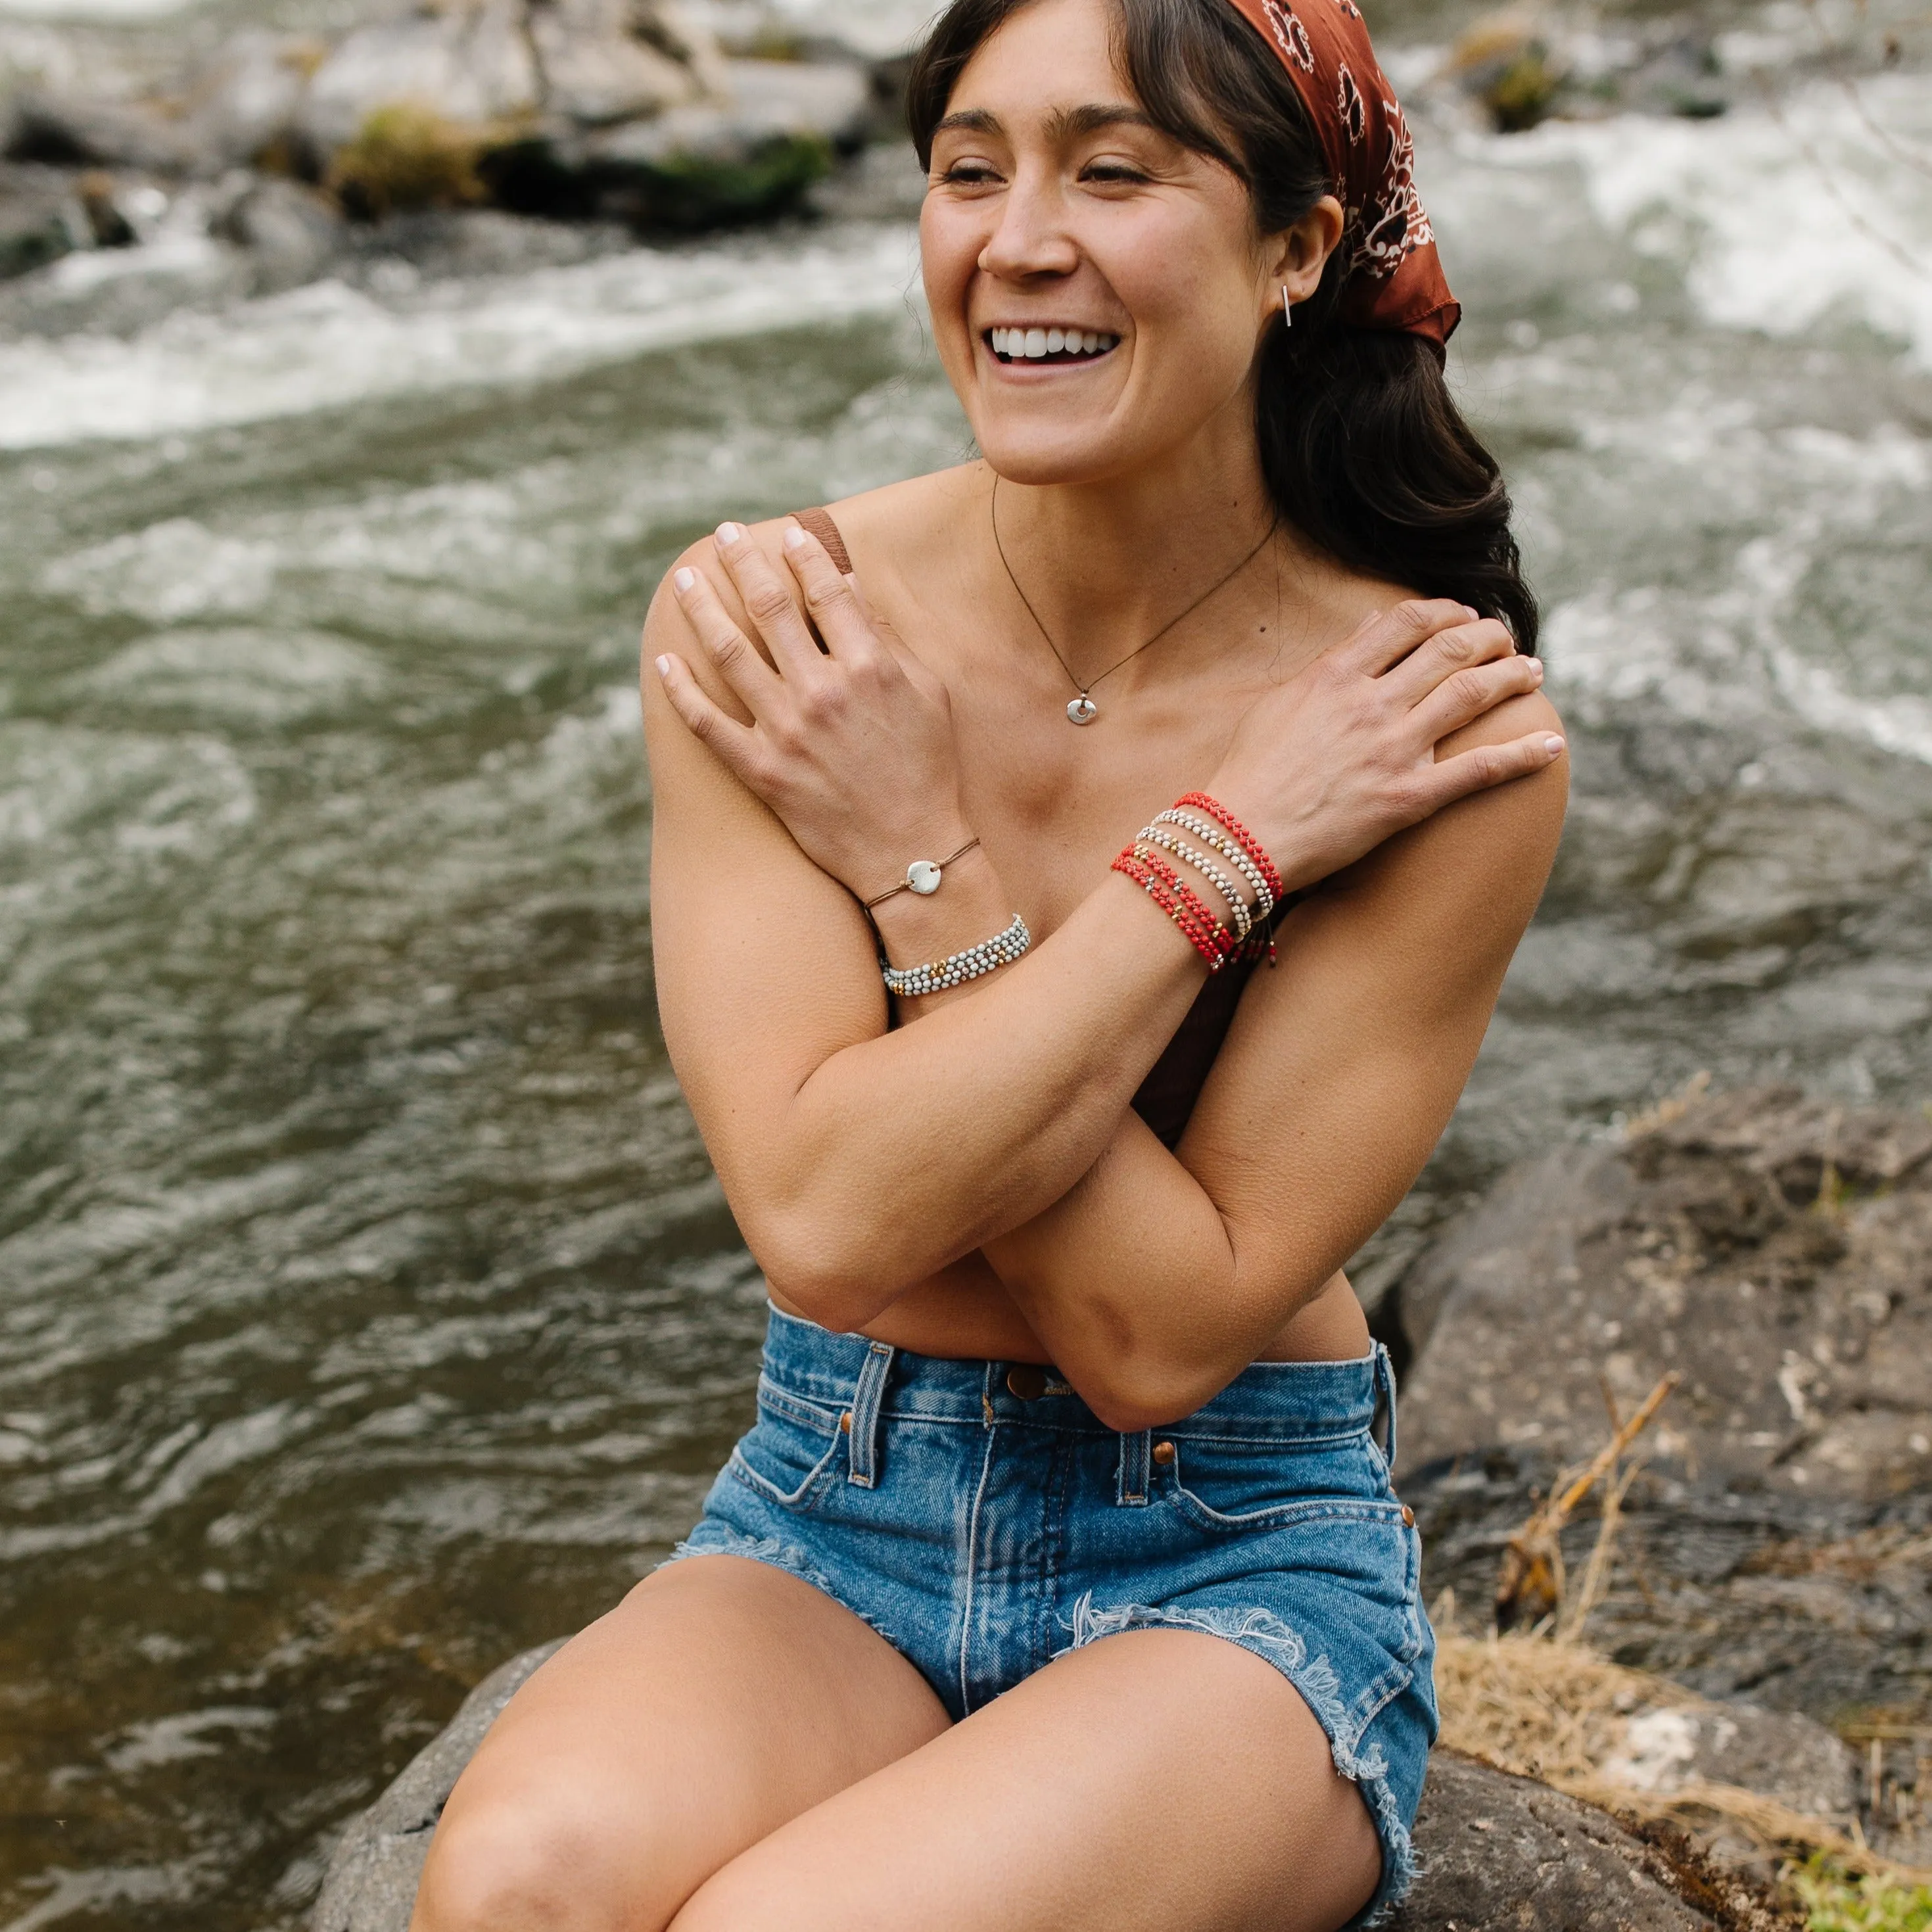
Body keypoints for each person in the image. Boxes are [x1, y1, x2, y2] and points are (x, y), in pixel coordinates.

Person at [411, 0, 1567, 1921]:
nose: (1018, 238)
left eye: (1114, 171)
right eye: (970, 168)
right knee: (517, 1885)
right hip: (832, 1502)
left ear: (1297, 247)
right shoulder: (789, 638)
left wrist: (928, 871)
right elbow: (829, 1215)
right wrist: (1207, 863)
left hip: (1228, 1554)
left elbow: (1154, 1333)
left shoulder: (1419, 727)